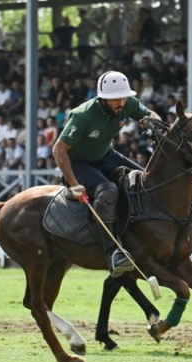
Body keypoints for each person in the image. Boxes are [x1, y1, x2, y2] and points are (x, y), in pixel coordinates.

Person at [52, 71, 161, 276]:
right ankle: (113, 252)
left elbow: (151, 115)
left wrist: (151, 122)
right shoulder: (83, 115)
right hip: (79, 162)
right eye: (115, 99)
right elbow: (59, 149)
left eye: (123, 97)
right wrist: (74, 183)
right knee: (108, 192)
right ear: (103, 99)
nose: (120, 103)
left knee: (147, 182)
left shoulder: (128, 103)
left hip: (106, 155)